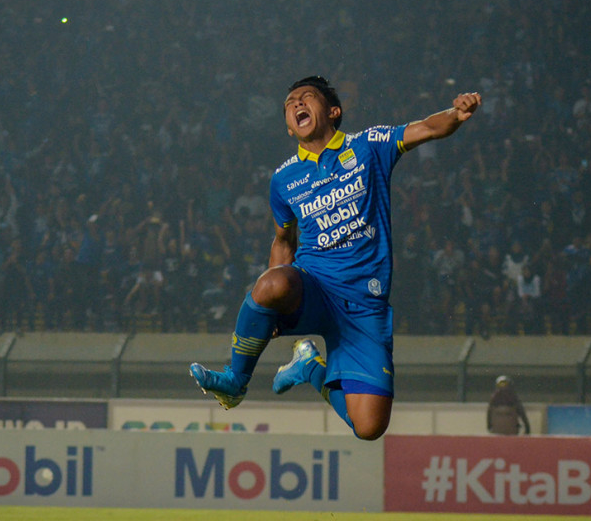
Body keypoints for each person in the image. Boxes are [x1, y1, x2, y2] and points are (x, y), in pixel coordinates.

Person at [190, 75, 482, 440]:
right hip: (316, 288)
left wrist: (456, 113)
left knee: (370, 427)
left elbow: (426, 128)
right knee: (273, 281)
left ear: (333, 110)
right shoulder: (283, 180)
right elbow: (283, 241)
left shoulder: (369, 147)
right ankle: (235, 381)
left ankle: (309, 367)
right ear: (287, 126)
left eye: (306, 97)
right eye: (289, 103)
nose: (296, 104)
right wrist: (276, 301)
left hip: (364, 305)